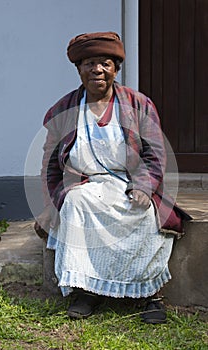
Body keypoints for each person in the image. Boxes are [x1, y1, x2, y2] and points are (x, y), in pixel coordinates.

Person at [34, 31, 191, 324]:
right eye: (89, 63)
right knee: (75, 204)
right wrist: (51, 202)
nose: (97, 70)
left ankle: (148, 295)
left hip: (130, 184)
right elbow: (50, 165)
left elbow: (155, 152)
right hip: (87, 186)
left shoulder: (138, 104)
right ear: (79, 69)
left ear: (115, 69)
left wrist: (145, 185)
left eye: (105, 63)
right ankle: (87, 292)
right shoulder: (64, 111)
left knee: (142, 213)